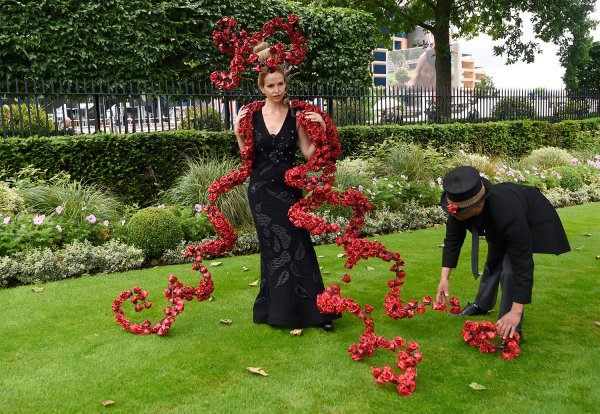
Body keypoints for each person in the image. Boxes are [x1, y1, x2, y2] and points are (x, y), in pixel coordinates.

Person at [234, 42, 340, 331]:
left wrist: (322, 127)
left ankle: (318, 313)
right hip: (261, 192)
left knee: (300, 246)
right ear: (262, 88)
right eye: (271, 85)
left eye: (281, 83)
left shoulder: (296, 115)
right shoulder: (251, 116)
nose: (277, 89)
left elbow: (307, 152)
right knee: (273, 249)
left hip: (289, 190)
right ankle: (276, 311)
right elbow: (247, 155)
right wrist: (236, 130)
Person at [435, 166, 570, 343]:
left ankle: (513, 328)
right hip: (495, 218)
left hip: (528, 212)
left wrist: (516, 311)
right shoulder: (460, 205)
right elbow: (452, 241)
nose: (455, 216)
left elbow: (523, 264)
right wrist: (444, 278)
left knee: (509, 270)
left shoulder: (508, 216)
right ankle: (482, 304)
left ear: (478, 205)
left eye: (460, 213)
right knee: (494, 261)